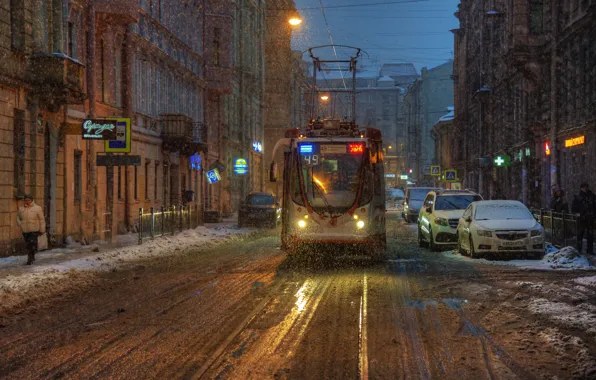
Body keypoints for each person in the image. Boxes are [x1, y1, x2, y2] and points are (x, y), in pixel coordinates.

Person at [16, 194, 46, 265]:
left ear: (32, 200)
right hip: (25, 230)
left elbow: (41, 219)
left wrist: (42, 229)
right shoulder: (21, 208)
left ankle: (30, 258)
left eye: (28, 200)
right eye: (25, 200)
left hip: (34, 230)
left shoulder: (37, 208)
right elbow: (18, 218)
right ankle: (32, 255)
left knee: (31, 244)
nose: (27, 201)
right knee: (28, 244)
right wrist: (20, 224)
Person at [571, 183, 596, 255]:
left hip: (590, 219)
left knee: (590, 236)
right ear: (581, 188)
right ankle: (579, 250)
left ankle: (590, 250)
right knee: (580, 235)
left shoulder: (592, 196)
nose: (585, 188)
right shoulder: (577, 197)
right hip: (581, 219)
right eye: (584, 187)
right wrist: (577, 213)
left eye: (586, 187)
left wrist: (593, 215)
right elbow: (573, 207)